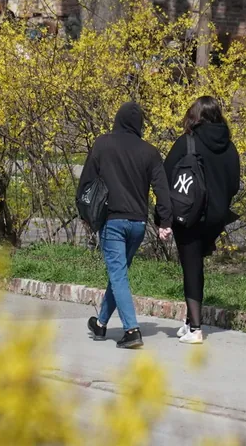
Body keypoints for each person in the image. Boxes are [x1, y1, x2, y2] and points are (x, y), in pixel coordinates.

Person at [79, 102, 174, 349]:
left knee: (118, 275)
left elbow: (87, 182)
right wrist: (165, 221)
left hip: (113, 221)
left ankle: (132, 330)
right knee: (118, 274)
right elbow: (162, 189)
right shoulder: (150, 152)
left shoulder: (103, 144)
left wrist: (85, 214)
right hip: (138, 224)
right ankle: (100, 324)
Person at [163, 97, 240, 344]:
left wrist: (162, 216)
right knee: (196, 264)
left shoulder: (187, 142)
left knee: (192, 266)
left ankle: (195, 328)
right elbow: (235, 184)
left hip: (191, 214)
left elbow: (165, 176)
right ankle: (189, 322)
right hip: (217, 217)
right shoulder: (229, 147)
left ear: (195, 117)